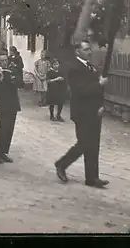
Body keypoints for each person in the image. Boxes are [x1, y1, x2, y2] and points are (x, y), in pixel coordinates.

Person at [54, 40, 109, 189]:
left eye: (89, 49)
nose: (89, 52)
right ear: (77, 51)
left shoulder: (90, 67)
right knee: (84, 143)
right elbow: (80, 91)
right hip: (82, 112)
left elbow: (97, 92)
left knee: (94, 145)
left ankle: (92, 177)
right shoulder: (74, 68)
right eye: (85, 50)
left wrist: (101, 106)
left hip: (94, 111)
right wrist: (99, 84)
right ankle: (62, 164)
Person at [0, 51, 21, 164]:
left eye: (5, 60)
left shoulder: (13, 69)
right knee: (4, 128)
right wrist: (1, 78)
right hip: (2, 104)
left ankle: (3, 152)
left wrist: (13, 78)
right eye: (2, 61)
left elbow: (20, 83)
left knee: (10, 129)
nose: (4, 63)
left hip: (13, 102)